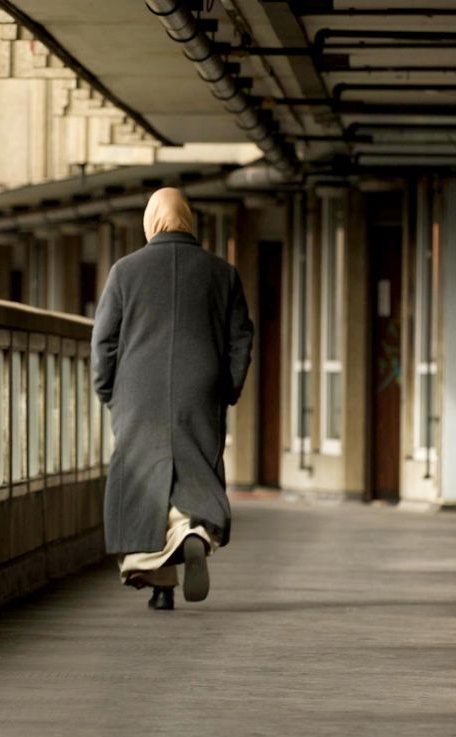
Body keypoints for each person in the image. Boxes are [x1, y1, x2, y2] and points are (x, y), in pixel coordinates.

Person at [91, 187, 254, 611]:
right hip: (201, 387)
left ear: (151, 220)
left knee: (142, 477)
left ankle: (158, 577)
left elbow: (104, 340)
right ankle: (195, 532)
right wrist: (228, 386)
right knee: (194, 467)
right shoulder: (223, 273)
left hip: (137, 390)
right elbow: (241, 338)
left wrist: (107, 389)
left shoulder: (125, 272)